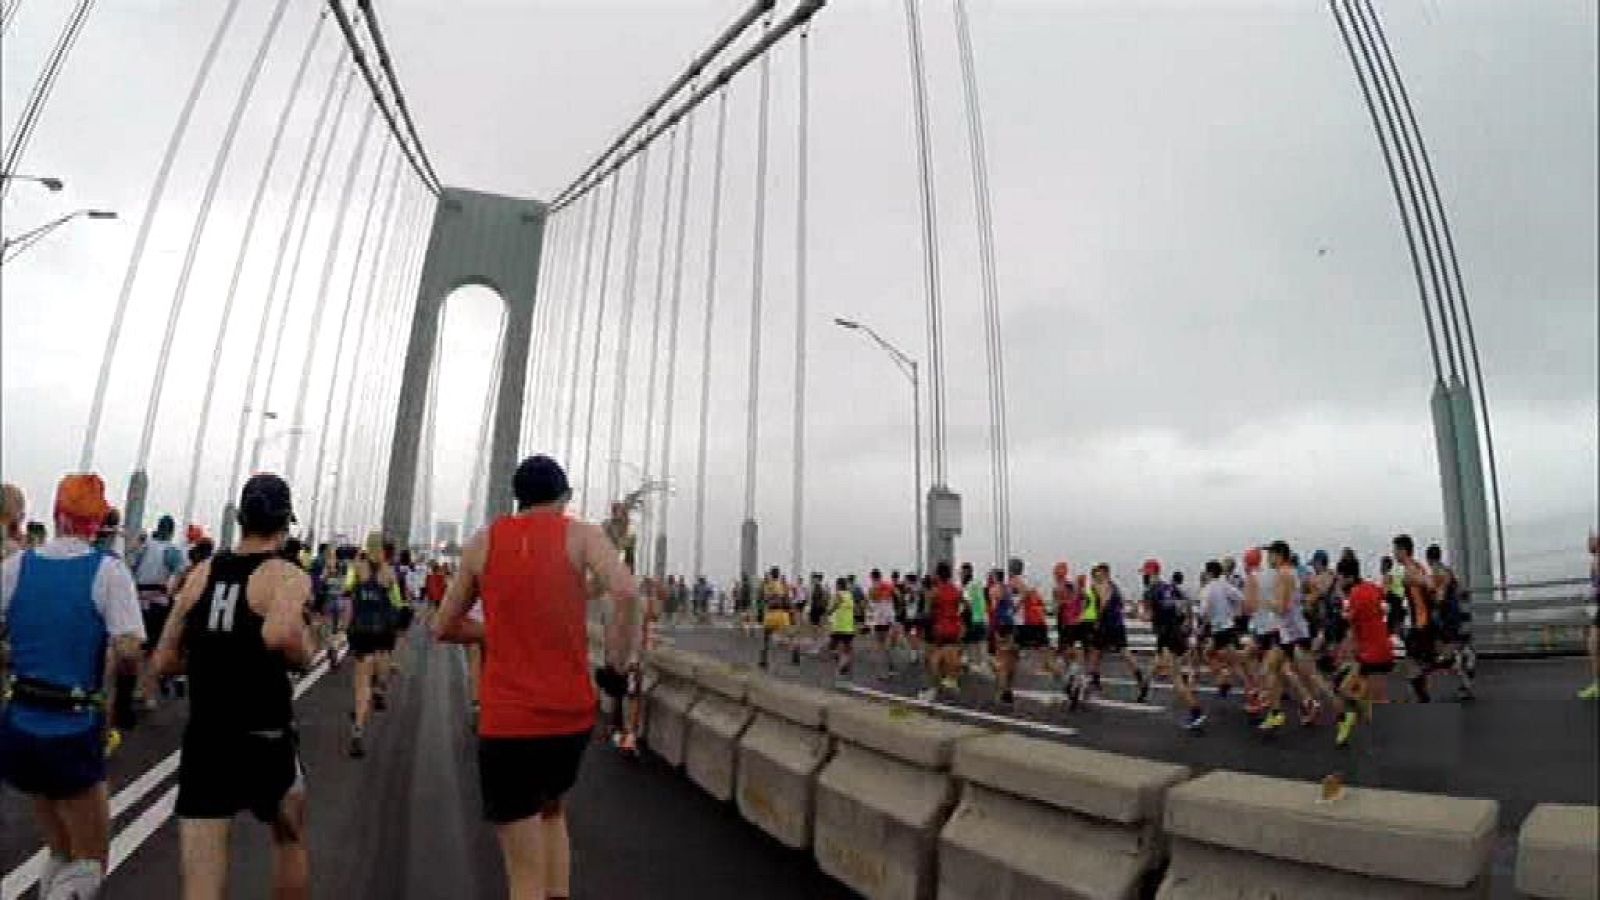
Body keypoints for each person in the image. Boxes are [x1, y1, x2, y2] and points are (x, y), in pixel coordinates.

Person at [435, 455, 637, 900]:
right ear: (564, 497)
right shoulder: (580, 535)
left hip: (509, 723)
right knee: (552, 811)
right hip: (570, 720)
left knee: (522, 874)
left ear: (517, 498)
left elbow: (443, 627)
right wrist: (618, 666)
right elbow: (623, 591)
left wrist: (494, 630)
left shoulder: (482, 543)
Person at [151, 473, 314, 900]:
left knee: (202, 883)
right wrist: (304, 653)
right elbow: (281, 636)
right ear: (284, 524)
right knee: (289, 837)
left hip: (207, 739)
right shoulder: (285, 574)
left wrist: (212, 655)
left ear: (241, 519)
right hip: (266, 738)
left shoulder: (202, 573)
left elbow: (165, 659)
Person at [0, 474, 145, 899]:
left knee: (62, 848)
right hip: (72, 724)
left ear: (57, 515)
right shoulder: (108, 573)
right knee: (91, 861)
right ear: (98, 523)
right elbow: (130, 649)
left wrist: (19, 658)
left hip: (21, 721)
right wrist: (119, 707)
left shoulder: (17, 567)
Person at [1141, 559, 1206, 729]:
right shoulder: (1169, 587)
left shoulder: (1150, 591)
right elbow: (1185, 605)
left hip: (1165, 635)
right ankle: (1146, 682)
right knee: (1161, 663)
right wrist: (1187, 622)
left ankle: (1196, 711)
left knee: (1175, 678)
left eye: (1145, 573)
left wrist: (1138, 613)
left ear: (1150, 573)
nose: (1144, 576)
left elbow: (1146, 616)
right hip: (1177, 632)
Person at [1334, 556, 1392, 746]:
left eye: (1340, 578)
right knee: (1364, 691)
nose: (1339, 581)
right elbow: (1385, 604)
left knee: (1345, 689)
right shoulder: (1371, 588)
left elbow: (1351, 627)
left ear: (1348, 578)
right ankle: (1365, 721)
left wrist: (1343, 654)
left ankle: (1365, 719)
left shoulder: (1356, 595)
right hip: (1381, 646)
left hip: (1371, 652)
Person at [345, 552, 398, 758]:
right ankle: (380, 688)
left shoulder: (357, 568)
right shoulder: (389, 572)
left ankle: (358, 728)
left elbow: (348, 595)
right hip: (382, 629)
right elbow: (396, 601)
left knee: (361, 683)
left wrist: (345, 627)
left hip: (361, 631)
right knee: (382, 660)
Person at [131, 515, 185, 710]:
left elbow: (131, 567)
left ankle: (133, 688)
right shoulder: (170, 551)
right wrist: (172, 591)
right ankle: (147, 693)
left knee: (137, 647)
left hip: (138, 600)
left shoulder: (145, 546)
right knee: (155, 649)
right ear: (171, 531)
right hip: (157, 603)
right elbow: (181, 571)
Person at [1086, 563, 1146, 698]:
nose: (1096, 576)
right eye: (1095, 574)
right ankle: (1139, 677)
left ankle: (1095, 682)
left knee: (1095, 653)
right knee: (1123, 651)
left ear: (1104, 573)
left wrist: (1096, 620)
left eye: (1098, 574)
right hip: (1118, 624)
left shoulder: (1102, 586)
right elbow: (1121, 604)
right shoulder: (1114, 586)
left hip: (1105, 624)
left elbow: (1103, 603)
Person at [1426, 543, 1475, 699]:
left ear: (1429, 559)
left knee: (1448, 652)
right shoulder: (1448, 570)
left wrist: (1435, 609)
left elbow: (1439, 595)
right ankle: (1468, 658)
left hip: (1447, 616)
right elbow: (1462, 591)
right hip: (1457, 613)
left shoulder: (1436, 573)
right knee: (1455, 646)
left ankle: (1464, 684)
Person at [1393, 534, 1438, 702]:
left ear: (1403, 550)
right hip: (1418, 621)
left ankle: (1423, 698)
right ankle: (1423, 697)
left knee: (1413, 665)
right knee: (1415, 663)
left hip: (1419, 623)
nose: (1394, 554)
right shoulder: (1414, 567)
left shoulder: (1412, 569)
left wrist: (1421, 581)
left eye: (1395, 550)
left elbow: (1430, 584)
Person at [922, 562, 965, 700]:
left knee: (932, 660)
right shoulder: (956, 590)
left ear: (937, 575)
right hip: (954, 628)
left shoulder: (934, 592)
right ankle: (951, 682)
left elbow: (927, 614)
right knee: (949, 658)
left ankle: (934, 690)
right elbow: (966, 606)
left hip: (940, 629)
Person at [1580, 533, 1600, 700]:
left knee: (1593, 646)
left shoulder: (1597, 562)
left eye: (1592, 539)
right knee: (1593, 646)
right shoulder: (1594, 562)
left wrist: (1591, 595)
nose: (1589, 543)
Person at [827, 576, 856, 678]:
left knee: (831, 647)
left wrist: (828, 613)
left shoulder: (838, 595)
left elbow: (833, 607)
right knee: (847, 649)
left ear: (838, 585)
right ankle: (844, 665)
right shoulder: (849, 595)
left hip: (840, 627)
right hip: (849, 627)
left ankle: (841, 665)